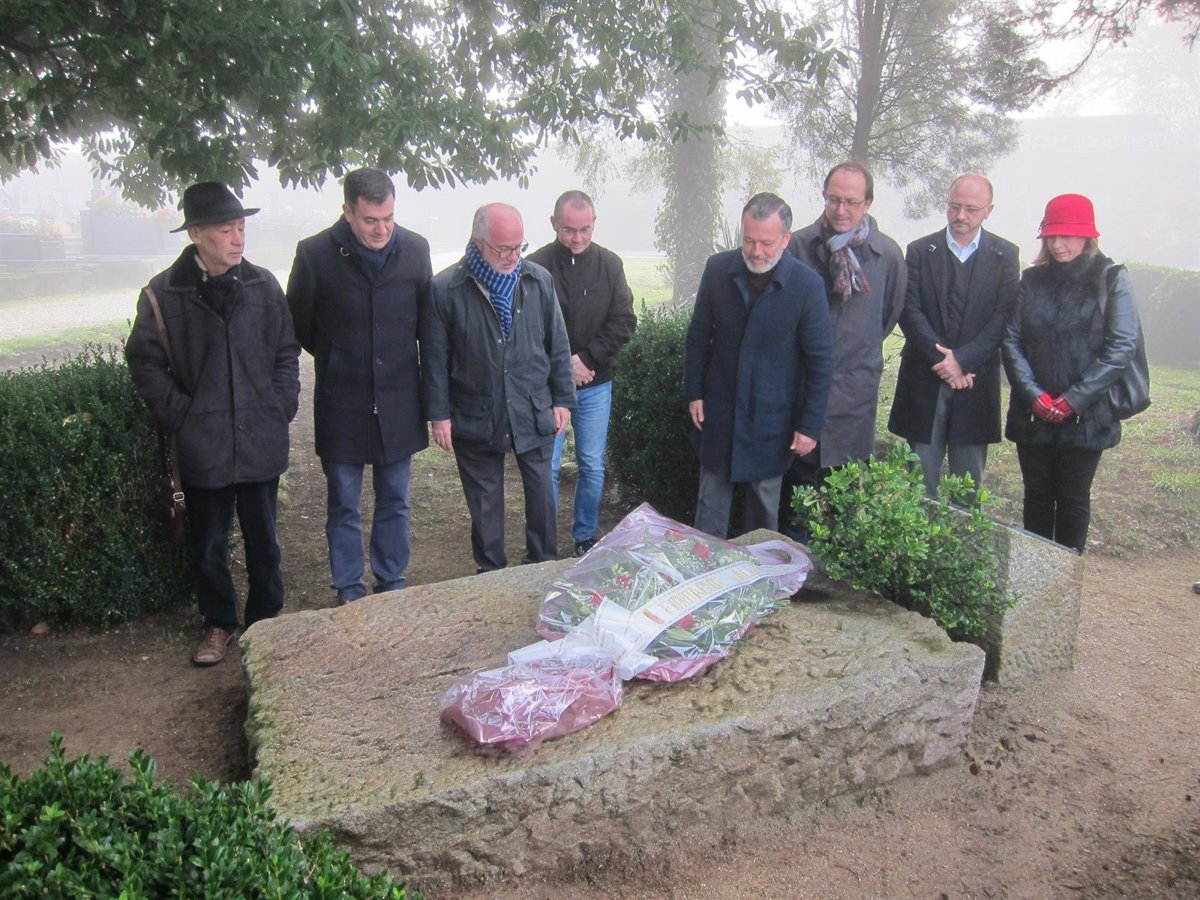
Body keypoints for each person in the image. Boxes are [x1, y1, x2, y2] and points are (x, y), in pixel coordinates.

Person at [126, 182, 300, 666]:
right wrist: (183, 415)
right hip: (203, 444)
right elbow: (144, 363)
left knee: (265, 540)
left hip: (260, 437)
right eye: (226, 230)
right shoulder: (163, 294)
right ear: (196, 234)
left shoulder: (264, 286)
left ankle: (266, 622)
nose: (238, 238)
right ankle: (218, 623)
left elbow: (286, 351)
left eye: (241, 227)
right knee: (208, 543)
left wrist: (279, 404)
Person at [286, 168, 431, 605]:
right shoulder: (314, 254)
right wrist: (339, 356)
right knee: (344, 502)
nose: (382, 229)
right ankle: (349, 587)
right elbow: (299, 323)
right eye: (371, 220)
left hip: (400, 399)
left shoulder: (416, 249)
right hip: (341, 401)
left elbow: (427, 325)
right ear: (348, 212)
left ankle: (391, 580)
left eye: (388, 218)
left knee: (396, 498)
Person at [422, 203, 575, 572]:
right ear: (478, 243)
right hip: (475, 410)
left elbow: (557, 344)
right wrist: (439, 415)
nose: (512, 257)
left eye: (518, 247)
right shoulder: (445, 289)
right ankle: (490, 572)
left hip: (533, 405)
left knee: (541, 490)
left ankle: (542, 565)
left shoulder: (538, 280)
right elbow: (435, 359)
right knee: (484, 497)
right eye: (503, 248)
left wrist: (563, 399)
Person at [685, 192, 834, 538]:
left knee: (763, 514)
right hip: (719, 413)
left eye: (766, 243)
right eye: (749, 240)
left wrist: (810, 425)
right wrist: (694, 392)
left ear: (786, 238)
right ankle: (703, 567)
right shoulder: (717, 269)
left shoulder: (807, 286)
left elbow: (820, 361)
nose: (756, 251)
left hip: (773, 420)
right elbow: (698, 336)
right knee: (709, 510)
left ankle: (759, 571)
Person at [1001, 193, 1138, 554]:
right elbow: (1012, 340)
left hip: (1087, 415)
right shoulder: (1031, 280)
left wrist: (1073, 400)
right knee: (1036, 497)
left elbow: (1121, 346)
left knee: (1074, 499)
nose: (1058, 244)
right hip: (1034, 413)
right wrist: (1033, 395)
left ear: (1087, 235)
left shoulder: (1111, 278)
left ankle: (1067, 580)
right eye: (1052, 236)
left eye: (1068, 235)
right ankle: (1034, 575)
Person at [779, 161, 907, 537]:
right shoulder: (797, 247)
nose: (841, 209)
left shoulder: (887, 255)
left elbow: (888, 315)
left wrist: (854, 347)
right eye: (833, 199)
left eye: (851, 201)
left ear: (867, 203)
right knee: (796, 506)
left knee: (844, 508)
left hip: (854, 395)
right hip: (801, 393)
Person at [888, 174, 1020, 497]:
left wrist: (963, 360)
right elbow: (909, 310)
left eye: (971, 209)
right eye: (954, 206)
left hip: (975, 381)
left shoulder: (1004, 255)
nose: (960, 216)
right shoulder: (920, 251)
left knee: (968, 489)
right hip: (925, 377)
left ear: (988, 210)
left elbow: (1003, 316)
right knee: (919, 487)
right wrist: (944, 361)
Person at [527, 191, 637, 556]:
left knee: (592, 464)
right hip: (548, 387)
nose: (577, 238)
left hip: (595, 383)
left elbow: (624, 320)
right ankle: (544, 544)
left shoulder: (610, 264)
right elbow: (527, 328)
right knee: (547, 467)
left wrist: (588, 359)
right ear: (554, 224)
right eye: (569, 230)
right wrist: (562, 367)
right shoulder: (535, 267)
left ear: (594, 224)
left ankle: (585, 537)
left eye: (585, 230)